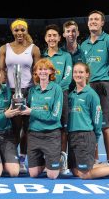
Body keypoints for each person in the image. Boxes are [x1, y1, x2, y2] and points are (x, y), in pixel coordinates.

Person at [0, 18, 41, 173]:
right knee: (14, 129)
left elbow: (36, 72)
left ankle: (22, 159)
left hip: (29, 92)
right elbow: (1, 70)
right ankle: (11, 158)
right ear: (12, 32)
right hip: (11, 91)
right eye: (16, 30)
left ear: (26, 31)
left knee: (27, 128)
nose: (19, 33)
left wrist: (37, 94)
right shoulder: (4, 48)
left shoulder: (34, 49)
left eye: (22, 30)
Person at [81, 10, 109, 164]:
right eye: (91, 19)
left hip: (103, 85)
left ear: (102, 22)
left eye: (96, 19)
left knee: (105, 124)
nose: (93, 21)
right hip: (88, 87)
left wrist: (108, 79)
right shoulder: (84, 44)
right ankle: (95, 159)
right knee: (91, 125)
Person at [20, 58, 62, 179]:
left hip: (51, 135)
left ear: (50, 72)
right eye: (40, 69)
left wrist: (32, 112)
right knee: (33, 174)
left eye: (46, 69)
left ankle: (54, 161)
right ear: (36, 72)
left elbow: (55, 116)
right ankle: (47, 162)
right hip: (34, 135)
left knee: (52, 176)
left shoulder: (56, 89)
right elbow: (25, 108)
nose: (43, 71)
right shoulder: (32, 90)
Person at [43, 24, 72, 174]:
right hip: (45, 97)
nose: (52, 38)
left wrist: (55, 90)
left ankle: (62, 159)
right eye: (49, 36)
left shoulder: (66, 56)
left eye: (55, 35)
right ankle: (48, 159)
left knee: (63, 129)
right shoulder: (42, 57)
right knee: (47, 126)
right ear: (45, 38)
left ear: (59, 38)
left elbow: (68, 76)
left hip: (63, 95)